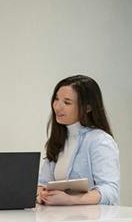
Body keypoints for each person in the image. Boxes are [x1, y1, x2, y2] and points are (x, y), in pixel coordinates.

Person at [38, 75, 120, 206]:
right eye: (56, 99)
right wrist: (41, 195)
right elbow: (42, 184)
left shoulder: (100, 141)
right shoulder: (59, 139)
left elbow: (110, 191)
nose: (58, 107)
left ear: (88, 108)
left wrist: (70, 200)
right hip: (57, 219)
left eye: (67, 102)